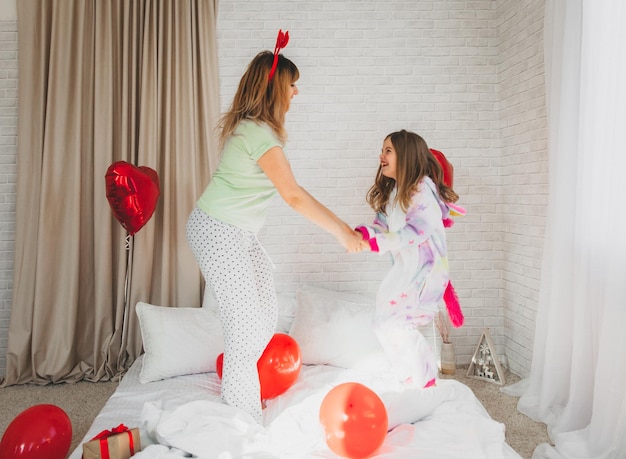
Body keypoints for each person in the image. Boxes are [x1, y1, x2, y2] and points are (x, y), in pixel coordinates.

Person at [186, 30, 362, 424]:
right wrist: (341, 231)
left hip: (236, 233)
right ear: (277, 89)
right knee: (244, 323)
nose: (296, 92)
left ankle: (242, 388)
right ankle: (238, 415)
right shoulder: (257, 133)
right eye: (292, 84)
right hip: (216, 229)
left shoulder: (257, 130)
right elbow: (294, 196)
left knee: (265, 313)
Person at [355, 129, 464, 389]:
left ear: (405, 156)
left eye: (388, 151)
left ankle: (424, 378)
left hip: (426, 273)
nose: (381, 156)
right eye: (382, 150)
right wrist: (362, 236)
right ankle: (408, 374)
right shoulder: (395, 193)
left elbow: (417, 231)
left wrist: (377, 242)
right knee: (382, 322)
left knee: (396, 324)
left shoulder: (421, 190)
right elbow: (381, 227)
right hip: (405, 270)